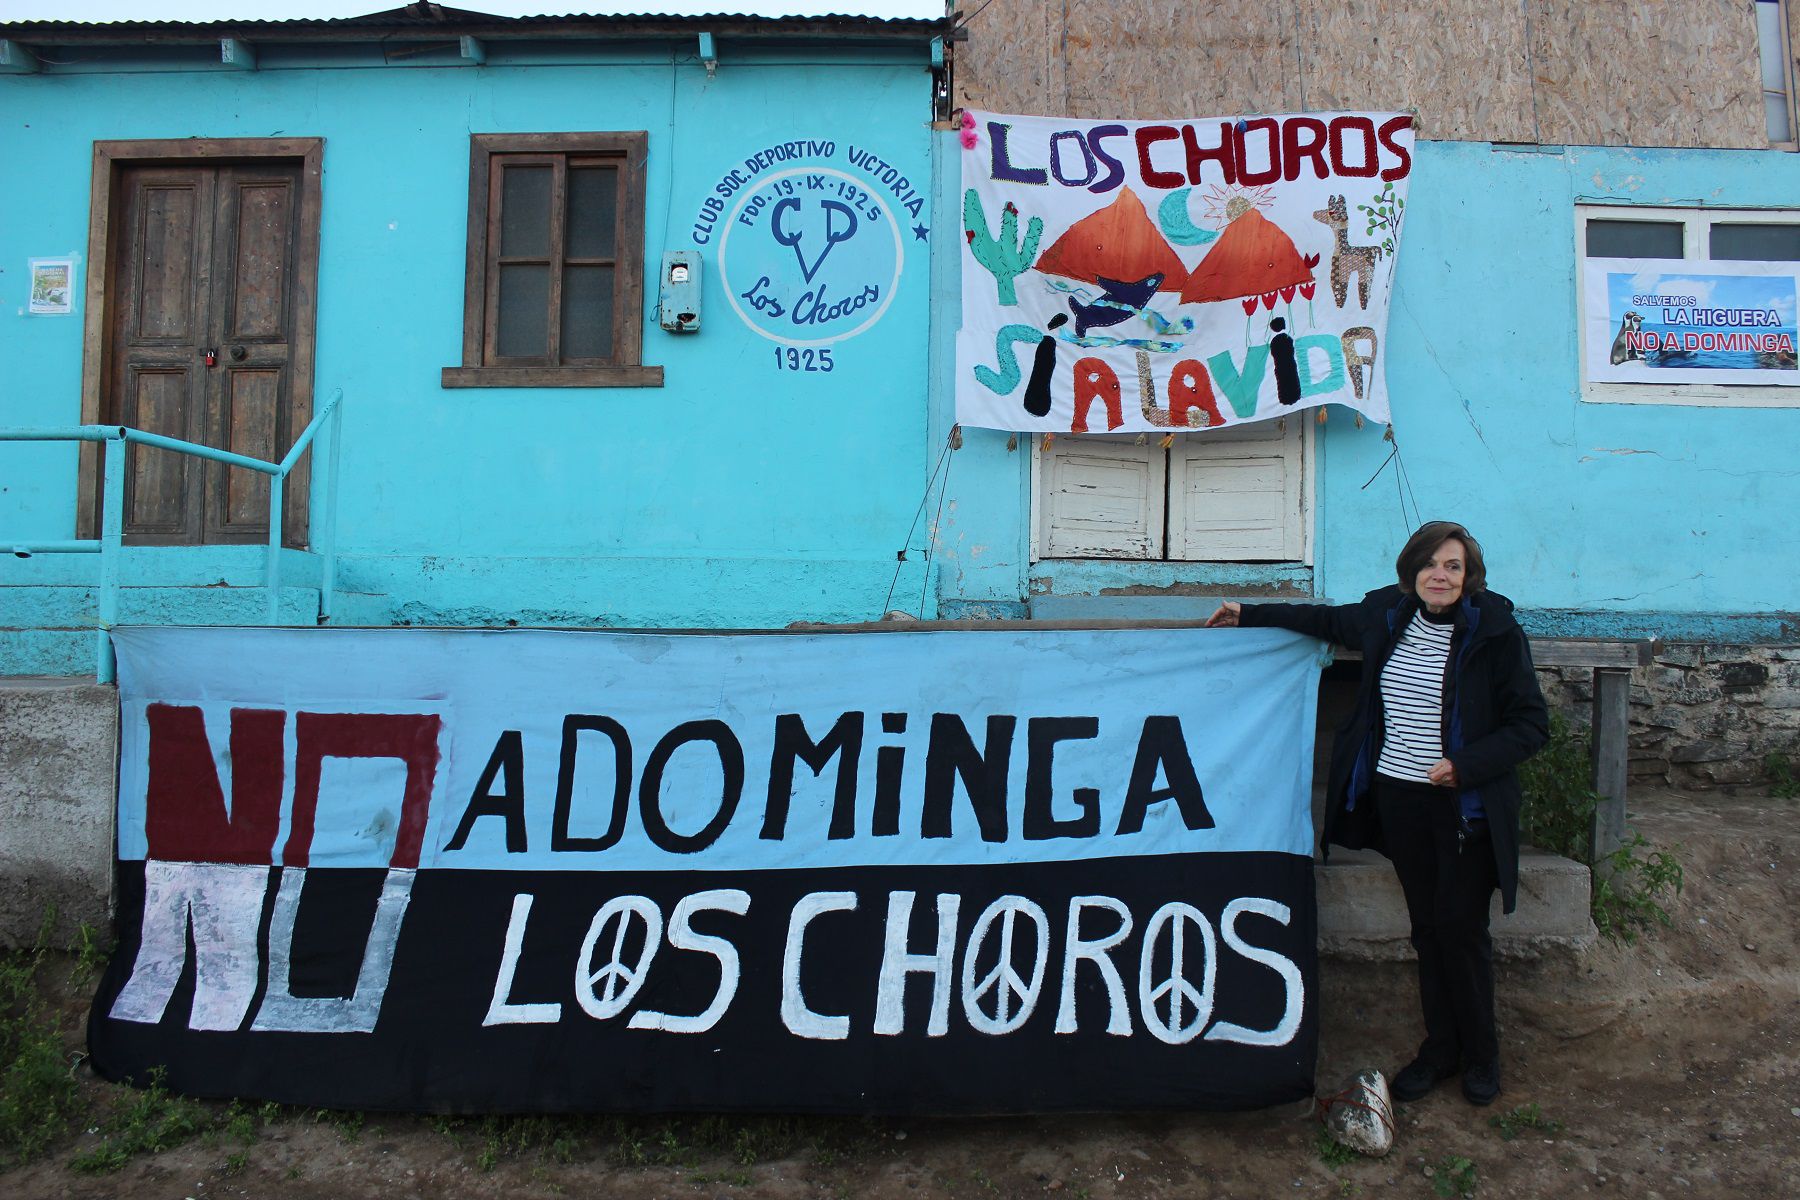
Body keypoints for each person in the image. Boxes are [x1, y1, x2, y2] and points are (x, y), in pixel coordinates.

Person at [1205, 521, 1547, 1107]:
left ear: (1469, 577)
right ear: (1411, 570)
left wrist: (1466, 764)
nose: (1440, 575)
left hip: (1462, 807)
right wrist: (1248, 612)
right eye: (1430, 564)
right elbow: (1324, 620)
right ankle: (1439, 1050)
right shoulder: (1387, 616)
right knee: (1427, 929)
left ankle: (1482, 1055)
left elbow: (1530, 725)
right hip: (1400, 799)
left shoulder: (1494, 632)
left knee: (1462, 932)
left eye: (1454, 566)